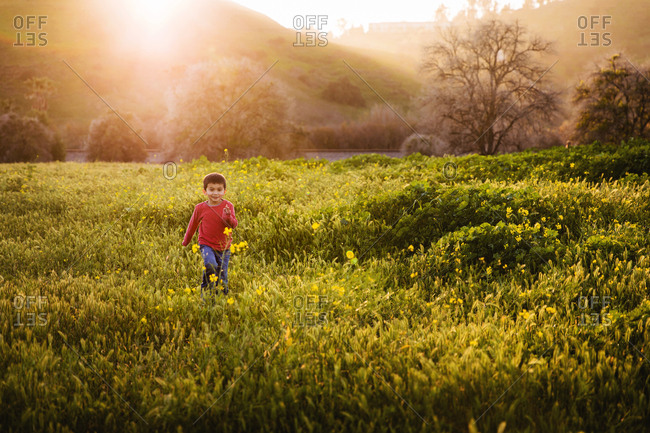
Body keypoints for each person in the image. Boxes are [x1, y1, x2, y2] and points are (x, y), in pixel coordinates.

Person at [182, 173, 238, 298]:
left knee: (222, 275)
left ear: (224, 191)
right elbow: (192, 226)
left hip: (224, 246)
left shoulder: (228, 206)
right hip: (206, 243)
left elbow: (233, 225)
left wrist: (227, 217)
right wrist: (186, 241)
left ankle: (222, 299)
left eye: (219, 190)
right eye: (211, 189)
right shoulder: (200, 208)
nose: (215, 193)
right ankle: (206, 294)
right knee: (211, 265)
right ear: (204, 191)